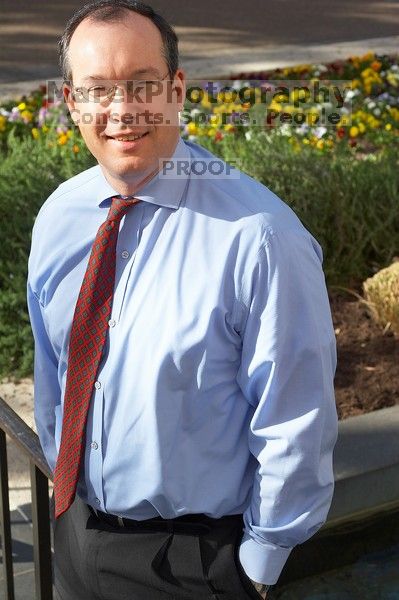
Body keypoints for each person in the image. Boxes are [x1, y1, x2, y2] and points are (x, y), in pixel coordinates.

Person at [27, 1, 339, 599]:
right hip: (75, 535)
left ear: (176, 90)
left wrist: (258, 566)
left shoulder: (260, 238)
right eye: (97, 90)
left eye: (141, 84)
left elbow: (296, 420)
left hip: (191, 565)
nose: (120, 111)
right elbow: (54, 372)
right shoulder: (60, 216)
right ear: (72, 102)